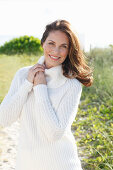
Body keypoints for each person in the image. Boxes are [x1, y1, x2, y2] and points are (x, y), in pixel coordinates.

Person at [0, 19, 93, 170]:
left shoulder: (71, 84)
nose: (56, 51)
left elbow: (54, 134)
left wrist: (40, 87)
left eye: (63, 46)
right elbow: (3, 119)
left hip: (61, 165)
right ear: (42, 43)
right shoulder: (23, 75)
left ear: (69, 50)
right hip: (26, 165)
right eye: (51, 43)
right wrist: (27, 85)